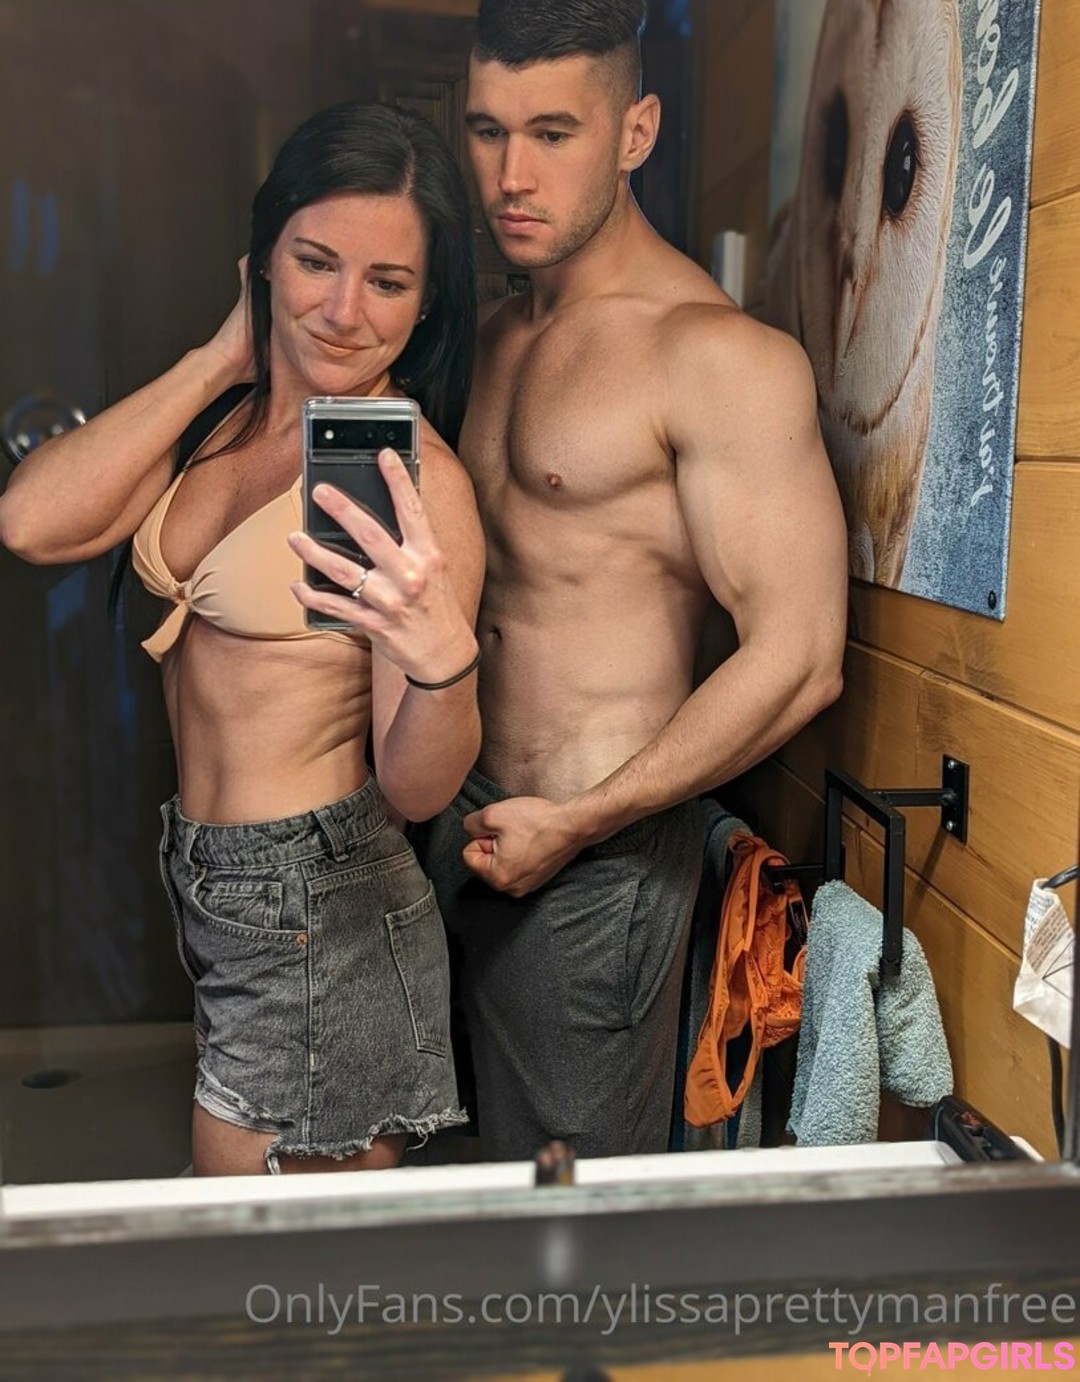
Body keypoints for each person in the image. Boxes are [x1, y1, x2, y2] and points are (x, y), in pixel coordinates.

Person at [0, 103, 485, 1176]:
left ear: (428, 301)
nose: (344, 311)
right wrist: (224, 356)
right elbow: (32, 522)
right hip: (223, 892)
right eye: (314, 262)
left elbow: (417, 790)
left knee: (259, 1253)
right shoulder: (222, 421)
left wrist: (441, 657)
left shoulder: (415, 484)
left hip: (323, 904)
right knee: (270, 1256)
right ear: (261, 258)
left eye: (389, 282)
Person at [418, 0, 849, 1161]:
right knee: (457, 1183)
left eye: (553, 133)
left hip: (590, 859)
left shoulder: (715, 357)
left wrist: (580, 820)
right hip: (455, 820)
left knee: (575, 1214)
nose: (511, 175)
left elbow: (801, 655)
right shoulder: (490, 335)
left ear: (637, 132)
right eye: (487, 130)